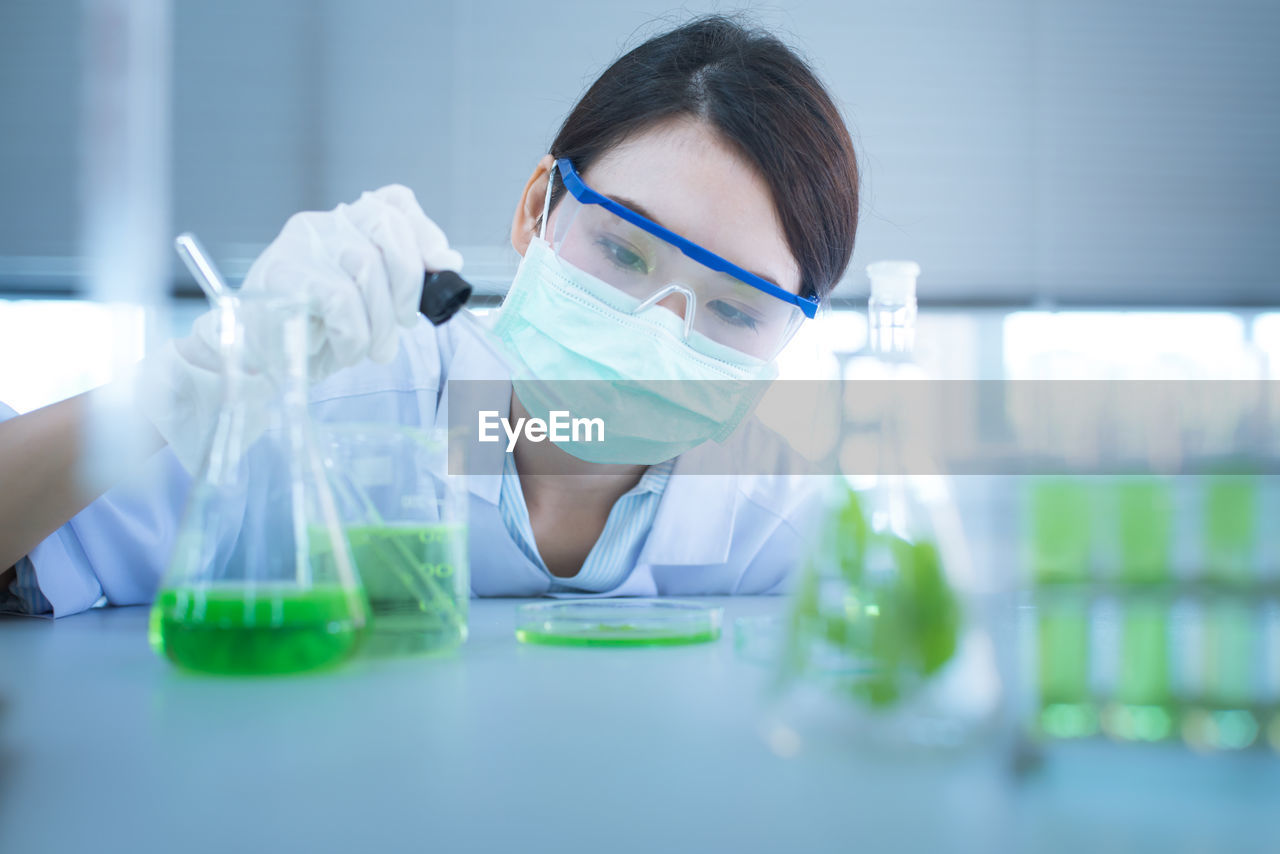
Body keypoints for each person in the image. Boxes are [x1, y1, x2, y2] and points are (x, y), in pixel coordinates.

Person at [0, 15, 859, 616]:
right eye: (625, 252)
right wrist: (189, 386)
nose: (653, 331)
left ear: (789, 336)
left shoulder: (785, 525)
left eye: (737, 309)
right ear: (535, 210)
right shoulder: (340, 394)